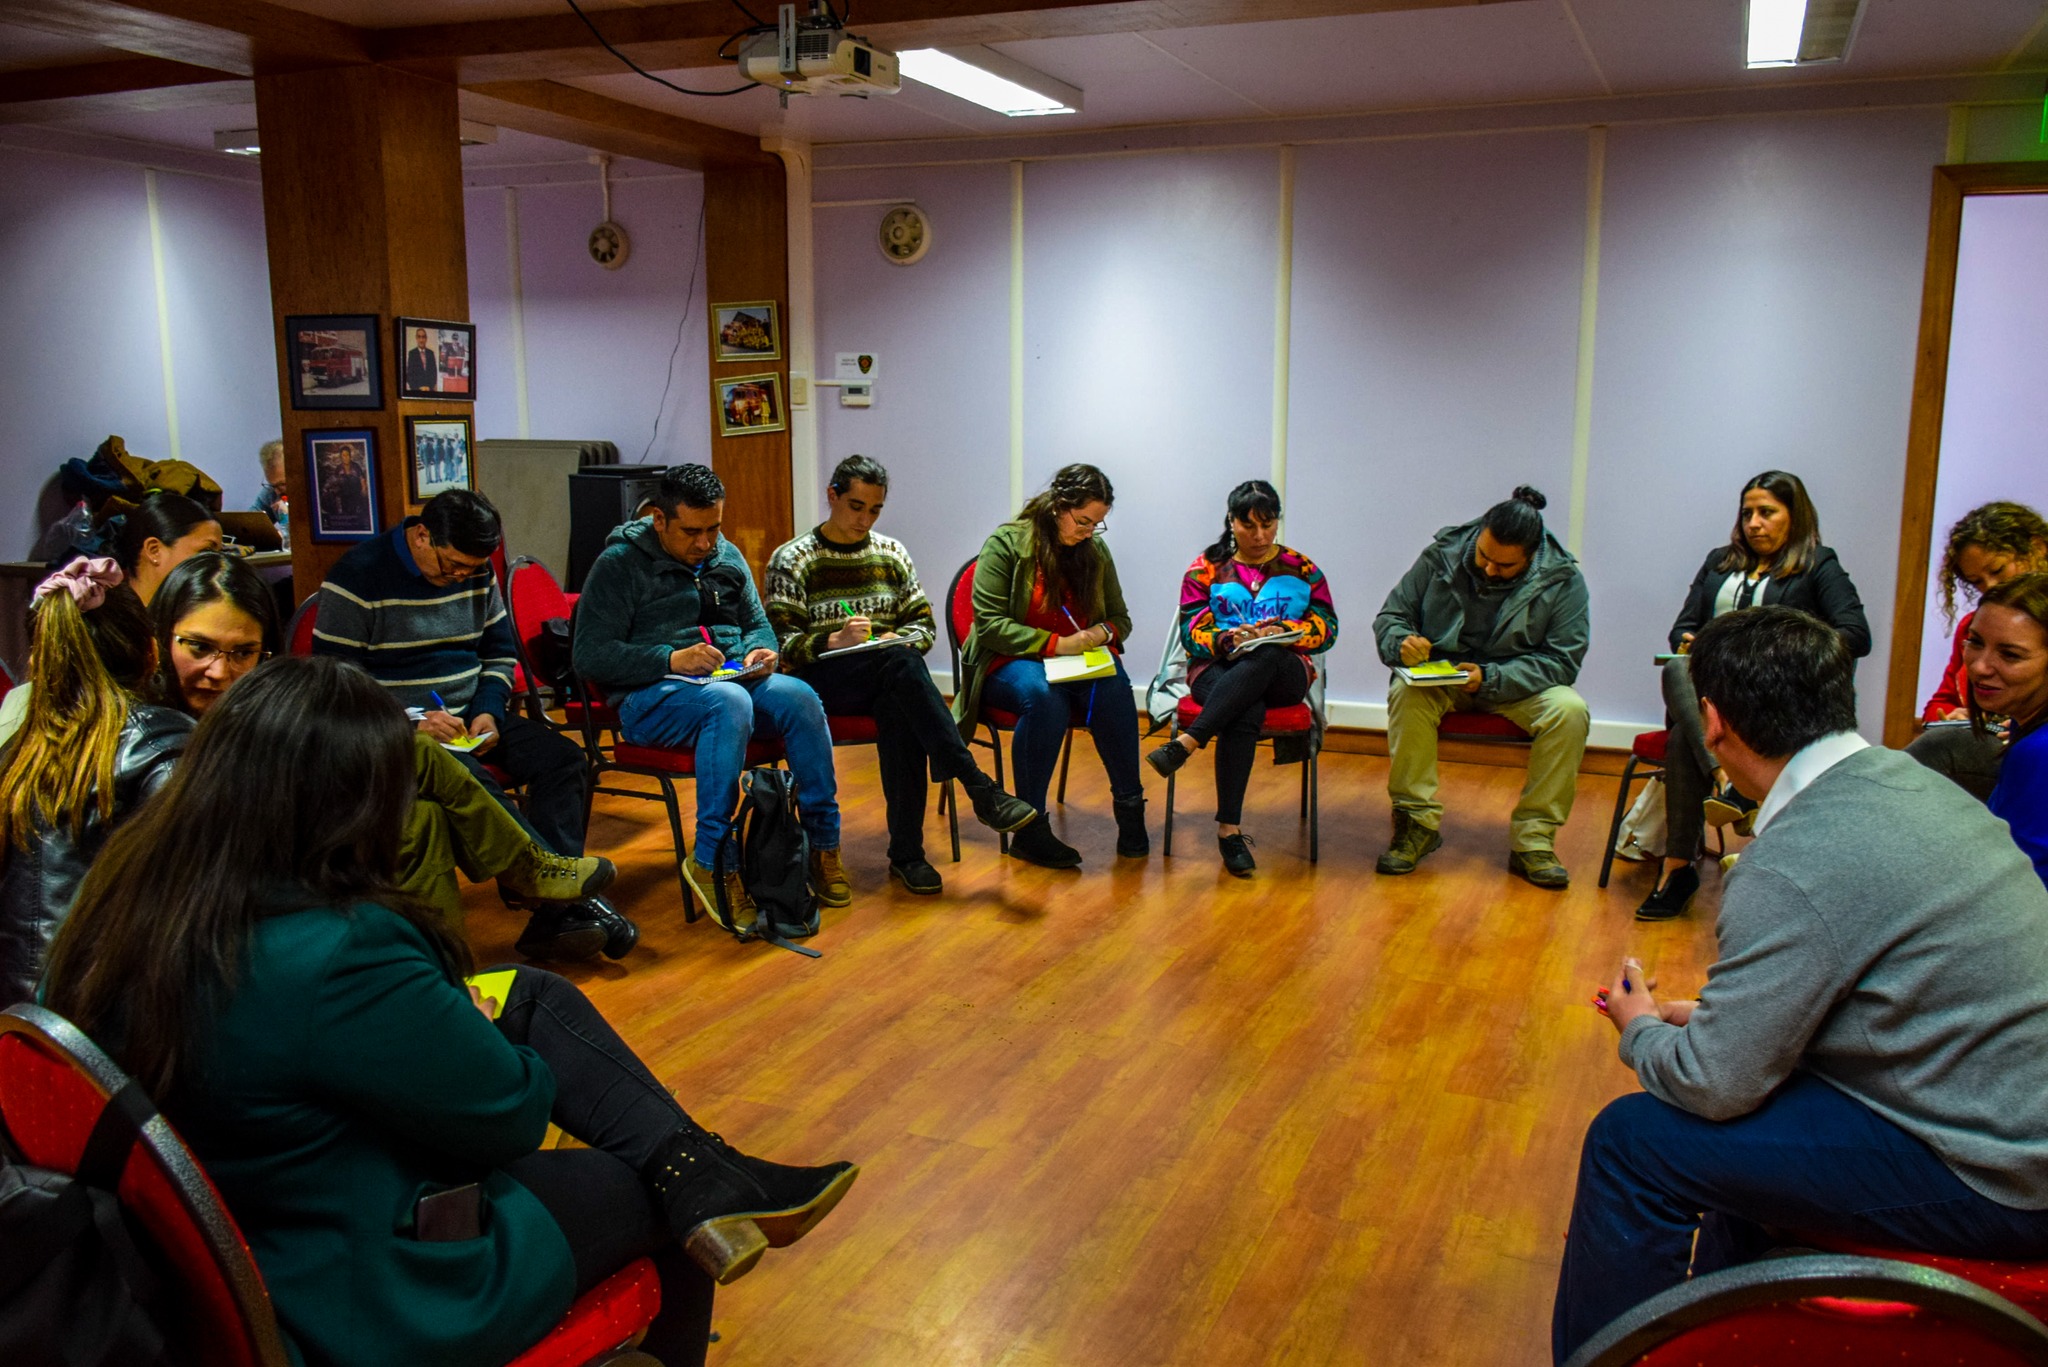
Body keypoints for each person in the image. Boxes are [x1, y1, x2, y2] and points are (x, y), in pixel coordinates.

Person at [41, 657, 858, 1367]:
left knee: (533, 992)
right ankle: (698, 1186)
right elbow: (507, 1122)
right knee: (640, 1187)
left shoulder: (129, 900)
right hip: (360, 1285)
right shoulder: (338, 950)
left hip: (228, 1242)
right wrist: (460, 1023)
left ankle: (712, 1172)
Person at [1552, 605, 2048, 1364]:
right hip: (2001, 1109)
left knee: (1633, 1141)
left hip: (2000, 1173)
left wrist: (1642, 1025)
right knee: (1745, 1127)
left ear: (1712, 721)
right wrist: (1724, 1020)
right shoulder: (1905, 782)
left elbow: (1715, 1084)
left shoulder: (1797, 858)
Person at [159, 553, 620, 960]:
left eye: (243, 652)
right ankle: (524, 871)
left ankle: (443, 969)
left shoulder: (252, 704)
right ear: (159, 640)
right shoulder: (153, 727)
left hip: (453, 721)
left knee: (427, 816)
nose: (219, 670)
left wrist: (486, 710)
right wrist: (403, 723)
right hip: (245, 867)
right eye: (199, 647)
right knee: (420, 754)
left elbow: (499, 655)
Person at [573, 464, 847, 923]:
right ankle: (714, 862)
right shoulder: (618, 565)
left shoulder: (726, 554)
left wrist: (764, 649)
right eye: (691, 532)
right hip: (650, 699)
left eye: (714, 528)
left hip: (729, 682)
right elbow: (589, 655)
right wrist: (669, 659)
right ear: (659, 520)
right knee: (730, 703)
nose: (704, 544)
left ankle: (822, 845)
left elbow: (758, 623)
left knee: (798, 696)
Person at [765, 456, 1036, 895]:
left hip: (887, 676)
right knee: (903, 672)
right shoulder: (794, 559)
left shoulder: (891, 552)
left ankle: (909, 854)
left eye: (874, 510)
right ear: (832, 496)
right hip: (821, 684)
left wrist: (897, 636)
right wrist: (835, 641)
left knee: (902, 691)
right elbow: (782, 647)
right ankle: (977, 789)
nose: (864, 519)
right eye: (855, 506)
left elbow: (923, 627)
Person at [313, 490, 601, 881]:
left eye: (472, 567)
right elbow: (333, 686)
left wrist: (488, 709)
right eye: (452, 565)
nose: (461, 576)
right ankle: (553, 888)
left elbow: (499, 653)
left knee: (565, 760)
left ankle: (552, 901)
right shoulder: (358, 577)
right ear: (420, 536)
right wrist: (411, 724)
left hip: (470, 715)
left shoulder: (478, 572)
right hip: (398, 733)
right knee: (470, 780)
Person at [1638, 470, 1870, 918]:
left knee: (1686, 739)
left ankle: (1678, 868)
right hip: (1712, 696)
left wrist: (1780, 651)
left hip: (1772, 697)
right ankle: (1727, 784)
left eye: (1767, 513)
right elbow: (1681, 628)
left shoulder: (1817, 565)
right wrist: (1691, 639)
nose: (1754, 523)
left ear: (1794, 515)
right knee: (1681, 669)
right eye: (1747, 513)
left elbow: (1855, 635)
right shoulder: (1718, 562)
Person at [1372, 485, 1589, 887]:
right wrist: (1401, 642)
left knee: (1570, 711)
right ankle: (1416, 824)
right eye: (1484, 556)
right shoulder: (1441, 555)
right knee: (1406, 692)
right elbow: (1392, 615)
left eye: (1504, 567)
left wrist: (1492, 679)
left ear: (1531, 555)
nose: (1489, 569)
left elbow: (1564, 660)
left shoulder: (1563, 578)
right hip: (1445, 677)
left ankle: (1534, 839)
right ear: (1480, 534)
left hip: (1517, 683)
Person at [0, 558, 190, 1004]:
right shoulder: (161, 746)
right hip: (108, 1019)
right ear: (152, 651)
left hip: (19, 1023)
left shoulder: (17, 748)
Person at [953, 464, 1146, 869]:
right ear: (1059, 506)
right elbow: (988, 626)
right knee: (1044, 698)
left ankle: (1130, 809)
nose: (1089, 531)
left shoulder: (1094, 550)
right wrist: (1057, 644)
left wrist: (1099, 634)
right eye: (1083, 521)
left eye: (1098, 524)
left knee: (1113, 687)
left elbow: (1120, 618)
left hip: (1073, 660)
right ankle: (1030, 827)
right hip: (1008, 661)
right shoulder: (1006, 544)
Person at [1147, 479, 1338, 876]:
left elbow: (1329, 628)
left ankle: (1189, 740)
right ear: (1231, 522)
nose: (1259, 535)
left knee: (1266, 654)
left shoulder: (1303, 569)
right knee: (1245, 707)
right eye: (1248, 526)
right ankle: (1228, 831)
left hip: (1285, 672)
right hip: (1217, 669)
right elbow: (1192, 633)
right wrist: (1229, 637)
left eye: (1268, 526)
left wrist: (1285, 630)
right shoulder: (1205, 568)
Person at [1909, 501, 2048, 802]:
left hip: (2025, 746)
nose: (1990, 586)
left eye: (1997, 570)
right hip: (1997, 740)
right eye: (1976, 582)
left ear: (2038, 548)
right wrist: (1958, 716)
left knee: (1943, 749)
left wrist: (2025, 723)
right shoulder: (1974, 625)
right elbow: (1939, 704)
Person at [1970, 574, 2048, 887]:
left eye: (2010, 654)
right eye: (1975, 642)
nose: (1979, 666)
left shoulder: (2038, 752)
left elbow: (2021, 886)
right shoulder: (2022, 727)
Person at [107, 490, 223, 604]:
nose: (221, 565)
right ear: (154, 550)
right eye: (206, 551)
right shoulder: (104, 616)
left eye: (219, 554)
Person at [252, 438, 287, 523]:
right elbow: (251, 520)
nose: (277, 492)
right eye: (273, 485)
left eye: (282, 484)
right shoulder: (271, 492)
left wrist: (289, 515)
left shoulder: (318, 493)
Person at [405, 326, 438, 393]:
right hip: (416, 390)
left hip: (430, 390)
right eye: (419, 337)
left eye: (423, 337)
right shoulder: (412, 353)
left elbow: (434, 373)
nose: (421, 340)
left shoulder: (431, 353)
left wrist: (429, 387)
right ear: (416, 338)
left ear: (426, 339)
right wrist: (418, 388)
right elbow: (409, 374)